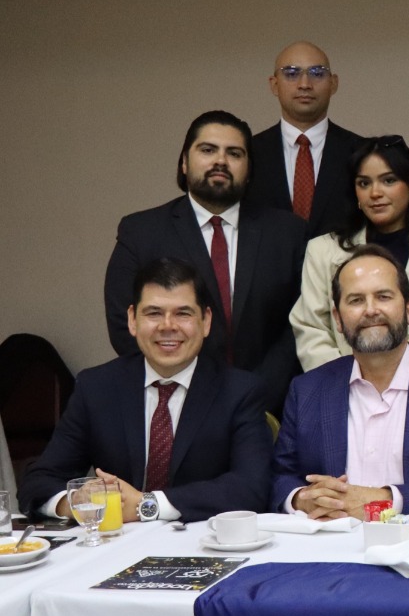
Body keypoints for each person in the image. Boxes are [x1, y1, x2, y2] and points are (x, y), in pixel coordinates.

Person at [21, 258, 272, 522]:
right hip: (117, 540)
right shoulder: (96, 388)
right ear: (132, 320)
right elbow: (38, 482)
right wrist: (76, 502)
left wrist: (146, 505)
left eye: (183, 313)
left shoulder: (240, 392)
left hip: (201, 538)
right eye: (153, 313)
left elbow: (251, 488)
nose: (167, 326)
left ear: (206, 321)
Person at [104, 110, 306, 414]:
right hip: (176, 404)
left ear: (249, 169)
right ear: (184, 162)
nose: (221, 161)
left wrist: (258, 392)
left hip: (269, 406)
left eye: (234, 153)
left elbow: (301, 320)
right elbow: (125, 323)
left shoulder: (288, 233)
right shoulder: (141, 232)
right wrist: (188, 388)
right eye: (208, 150)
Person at [271, 246, 409, 516]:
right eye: (356, 300)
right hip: (329, 536)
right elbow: (280, 478)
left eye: (383, 296)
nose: (371, 310)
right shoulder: (306, 390)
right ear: (338, 319)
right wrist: (304, 499)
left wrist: (384, 500)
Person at [291, 136, 409, 371]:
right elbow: (311, 330)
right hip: (347, 388)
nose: (375, 193)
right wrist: (349, 384)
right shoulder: (322, 250)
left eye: (388, 180)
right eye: (364, 183)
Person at [243, 41, 362, 238]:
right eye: (291, 73)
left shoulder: (362, 152)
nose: (305, 84)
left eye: (317, 73)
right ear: (274, 84)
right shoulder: (248, 153)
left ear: (333, 83)